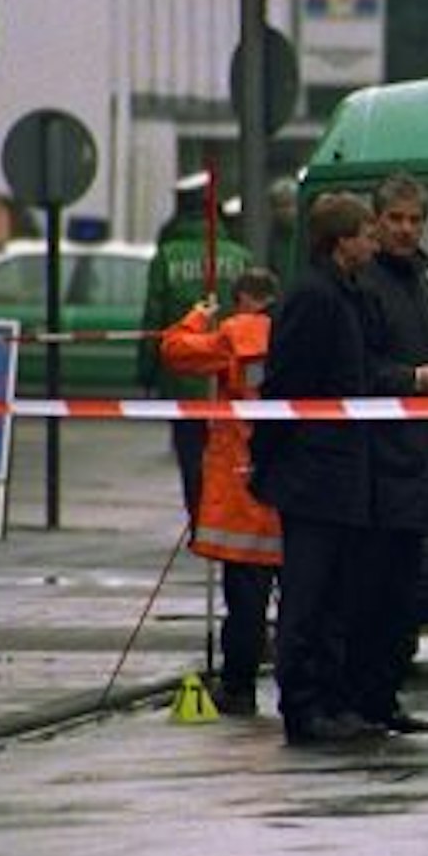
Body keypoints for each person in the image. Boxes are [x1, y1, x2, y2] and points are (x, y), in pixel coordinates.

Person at [251, 191, 381, 746]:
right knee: (307, 594)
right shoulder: (314, 299)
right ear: (341, 242)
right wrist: (272, 459)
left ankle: (331, 699)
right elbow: (288, 387)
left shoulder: (345, 294)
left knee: (334, 595)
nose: (372, 243)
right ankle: (302, 705)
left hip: (339, 469)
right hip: (314, 472)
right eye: (366, 233)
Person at [160, 267, 282, 717]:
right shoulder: (296, 330)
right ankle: (304, 689)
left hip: (243, 486)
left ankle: (238, 688)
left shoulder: (234, 333)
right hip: (293, 482)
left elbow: (173, 350)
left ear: (242, 300)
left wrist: (198, 315)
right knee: (303, 600)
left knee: (246, 601)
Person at [353, 174, 428, 735]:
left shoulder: (420, 284)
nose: (406, 229)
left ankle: (386, 696)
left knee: (401, 594)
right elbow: (359, 368)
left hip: (417, 461)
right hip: (380, 466)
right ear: (376, 221)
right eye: (396, 219)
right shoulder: (368, 283)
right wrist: (412, 379)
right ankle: (368, 697)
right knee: (372, 590)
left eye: (415, 220)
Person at [142, 172, 252, 520]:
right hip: (233, 379)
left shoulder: (166, 257)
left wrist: (146, 374)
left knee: (192, 458)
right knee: (232, 457)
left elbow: (153, 321)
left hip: (183, 379)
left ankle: (199, 522)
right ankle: (227, 522)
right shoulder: (241, 256)